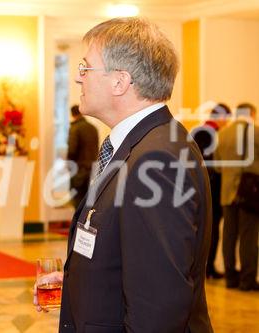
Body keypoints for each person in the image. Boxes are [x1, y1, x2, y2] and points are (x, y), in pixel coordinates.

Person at [34, 17, 213, 332]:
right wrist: (81, 280)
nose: (78, 79)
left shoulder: (156, 161)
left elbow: (159, 308)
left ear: (120, 81)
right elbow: (133, 257)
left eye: (86, 68)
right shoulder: (142, 144)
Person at [214, 103, 259, 291]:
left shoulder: (222, 134)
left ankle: (230, 279)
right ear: (251, 113)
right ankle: (247, 281)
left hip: (227, 192)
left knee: (229, 236)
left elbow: (217, 166)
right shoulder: (256, 132)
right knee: (248, 236)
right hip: (249, 193)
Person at [191, 103, 231, 279]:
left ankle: (204, 268)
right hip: (212, 187)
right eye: (227, 119)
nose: (227, 123)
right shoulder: (215, 134)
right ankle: (209, 268)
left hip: (196, 186)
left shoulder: (198, 131)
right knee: (212, 228)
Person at [67, 104, 99, 209]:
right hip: (93, 169)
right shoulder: (93, 128)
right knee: (90, 202)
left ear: (72, 114)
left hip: (79, 170)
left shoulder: (75, 128)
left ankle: (78, 225)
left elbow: (72, 150)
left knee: (78, 202)